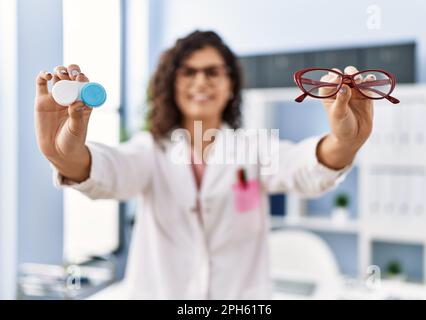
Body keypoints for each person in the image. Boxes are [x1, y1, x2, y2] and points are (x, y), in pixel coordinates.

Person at [34, 30, 373, 299]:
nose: (200, 82)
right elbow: (110, 171)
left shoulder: (253, 148)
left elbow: (303, 167)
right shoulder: (150, 149)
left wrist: (345, 141)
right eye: (189, 72)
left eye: (213, 72)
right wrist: (63, 154)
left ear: (231, 85)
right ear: (172, 83)